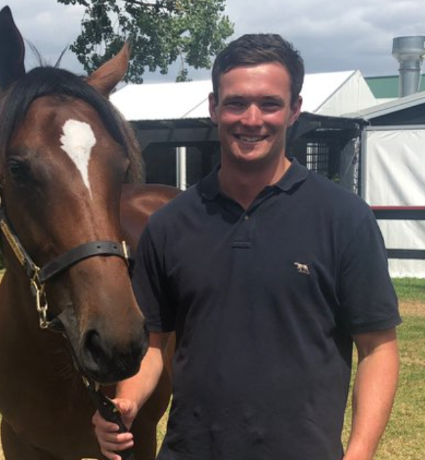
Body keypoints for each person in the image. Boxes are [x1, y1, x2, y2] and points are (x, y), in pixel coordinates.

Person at [93, 33, 401, 460]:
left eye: (270, 104)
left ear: (294, 109)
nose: (252, 119)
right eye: (236, 103)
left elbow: (377, 349)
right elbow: (153, 346)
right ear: (214, 107)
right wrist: (127, 400)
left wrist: (360, 452)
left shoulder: (344, 219)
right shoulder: (169, 225)